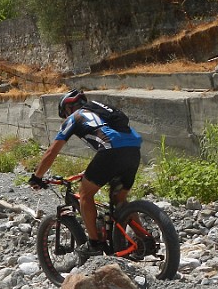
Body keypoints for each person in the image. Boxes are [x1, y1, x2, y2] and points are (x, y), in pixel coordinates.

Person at [28, 89, 142, 256]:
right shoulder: (101, 111)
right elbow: (113, 138)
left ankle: (94, 245)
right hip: (134, 150)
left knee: (85, 195)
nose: (65, 116)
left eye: (64, 113)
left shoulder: (76, 117)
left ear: (68, 109)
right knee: (119, 199)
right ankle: (144, 239)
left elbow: (51, 152)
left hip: (111, 151)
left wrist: (37, 177)